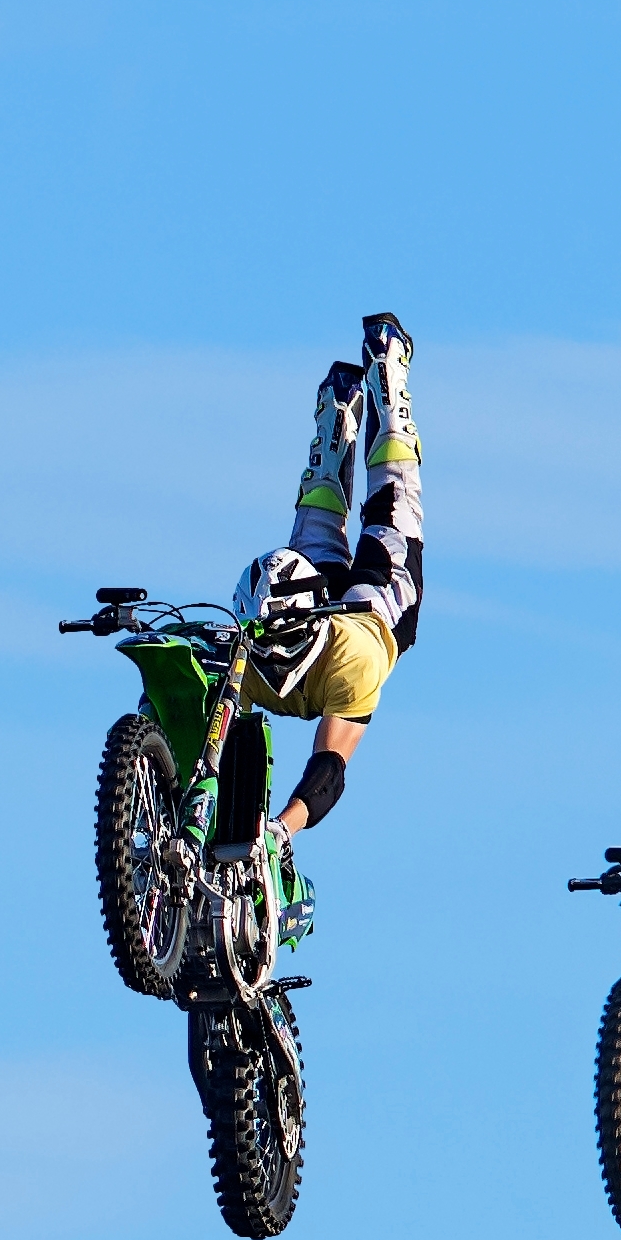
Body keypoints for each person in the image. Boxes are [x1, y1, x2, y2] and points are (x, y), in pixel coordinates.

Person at [249, 313, 423, 851]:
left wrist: (284, 827)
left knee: (391, 496)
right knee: (336, 517)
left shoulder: (354, 665)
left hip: (372, 618)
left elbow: (329, 768)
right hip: (319, 612)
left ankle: (384, 390)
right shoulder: (247, 652)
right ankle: (342, 412)